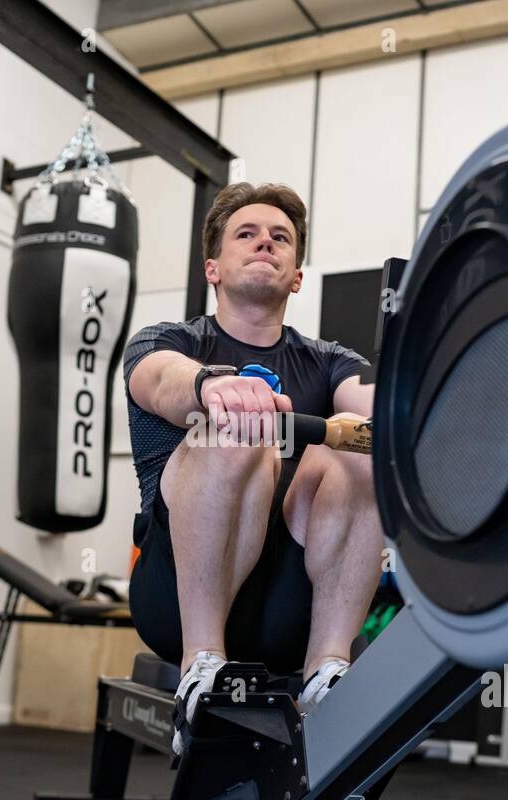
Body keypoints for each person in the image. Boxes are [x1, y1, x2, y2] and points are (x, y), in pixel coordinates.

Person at [123, 182, 383, 753]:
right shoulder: (167, 341)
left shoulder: (331, 361)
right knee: (241, 429)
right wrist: (213, 386)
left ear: (296, 277)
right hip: (176, 600)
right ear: (212, 268)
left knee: (365, 448)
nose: (265, 241)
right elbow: (162, 380)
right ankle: (203, 670)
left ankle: (327, 674)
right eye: (247, 233)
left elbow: (380, 409)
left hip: (290, 610)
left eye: (280, 238)